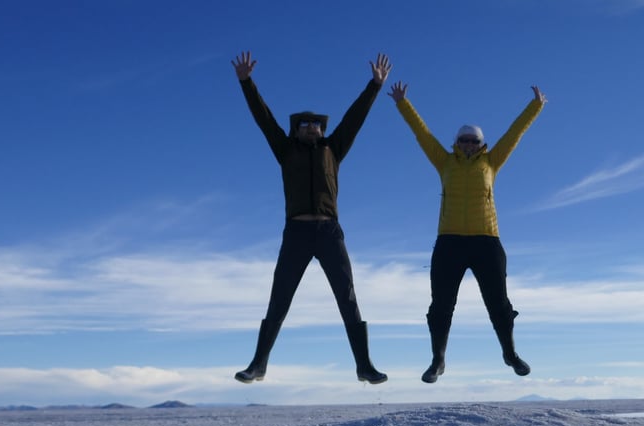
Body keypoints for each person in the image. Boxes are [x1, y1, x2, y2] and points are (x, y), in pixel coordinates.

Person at [231, 50, 391, 385]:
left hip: (330, 232)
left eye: (316, 124)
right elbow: (264, 118)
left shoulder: (334, 149)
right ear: (295, 129)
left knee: (347, 298)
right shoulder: (285, 150)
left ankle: (364, 366)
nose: (312, 128)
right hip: (297, 232)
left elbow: (354, 118)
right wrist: (247, 83)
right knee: (280, 298)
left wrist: (374, 87)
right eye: (305, 124)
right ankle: (258, 365)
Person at [388, 80, 546, 383]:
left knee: (498, 303)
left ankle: (510, 354)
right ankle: (438, 360)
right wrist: (402, 103)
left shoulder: (491, 162)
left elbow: (515, 133)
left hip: (487, 241)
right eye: (463, 140)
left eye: (473, 141)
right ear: (456, 142)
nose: (468, 144)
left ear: (482, 144)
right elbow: (423, 134)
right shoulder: (444, 162)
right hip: (449, 242)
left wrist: (536, 106)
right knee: (441, 305)